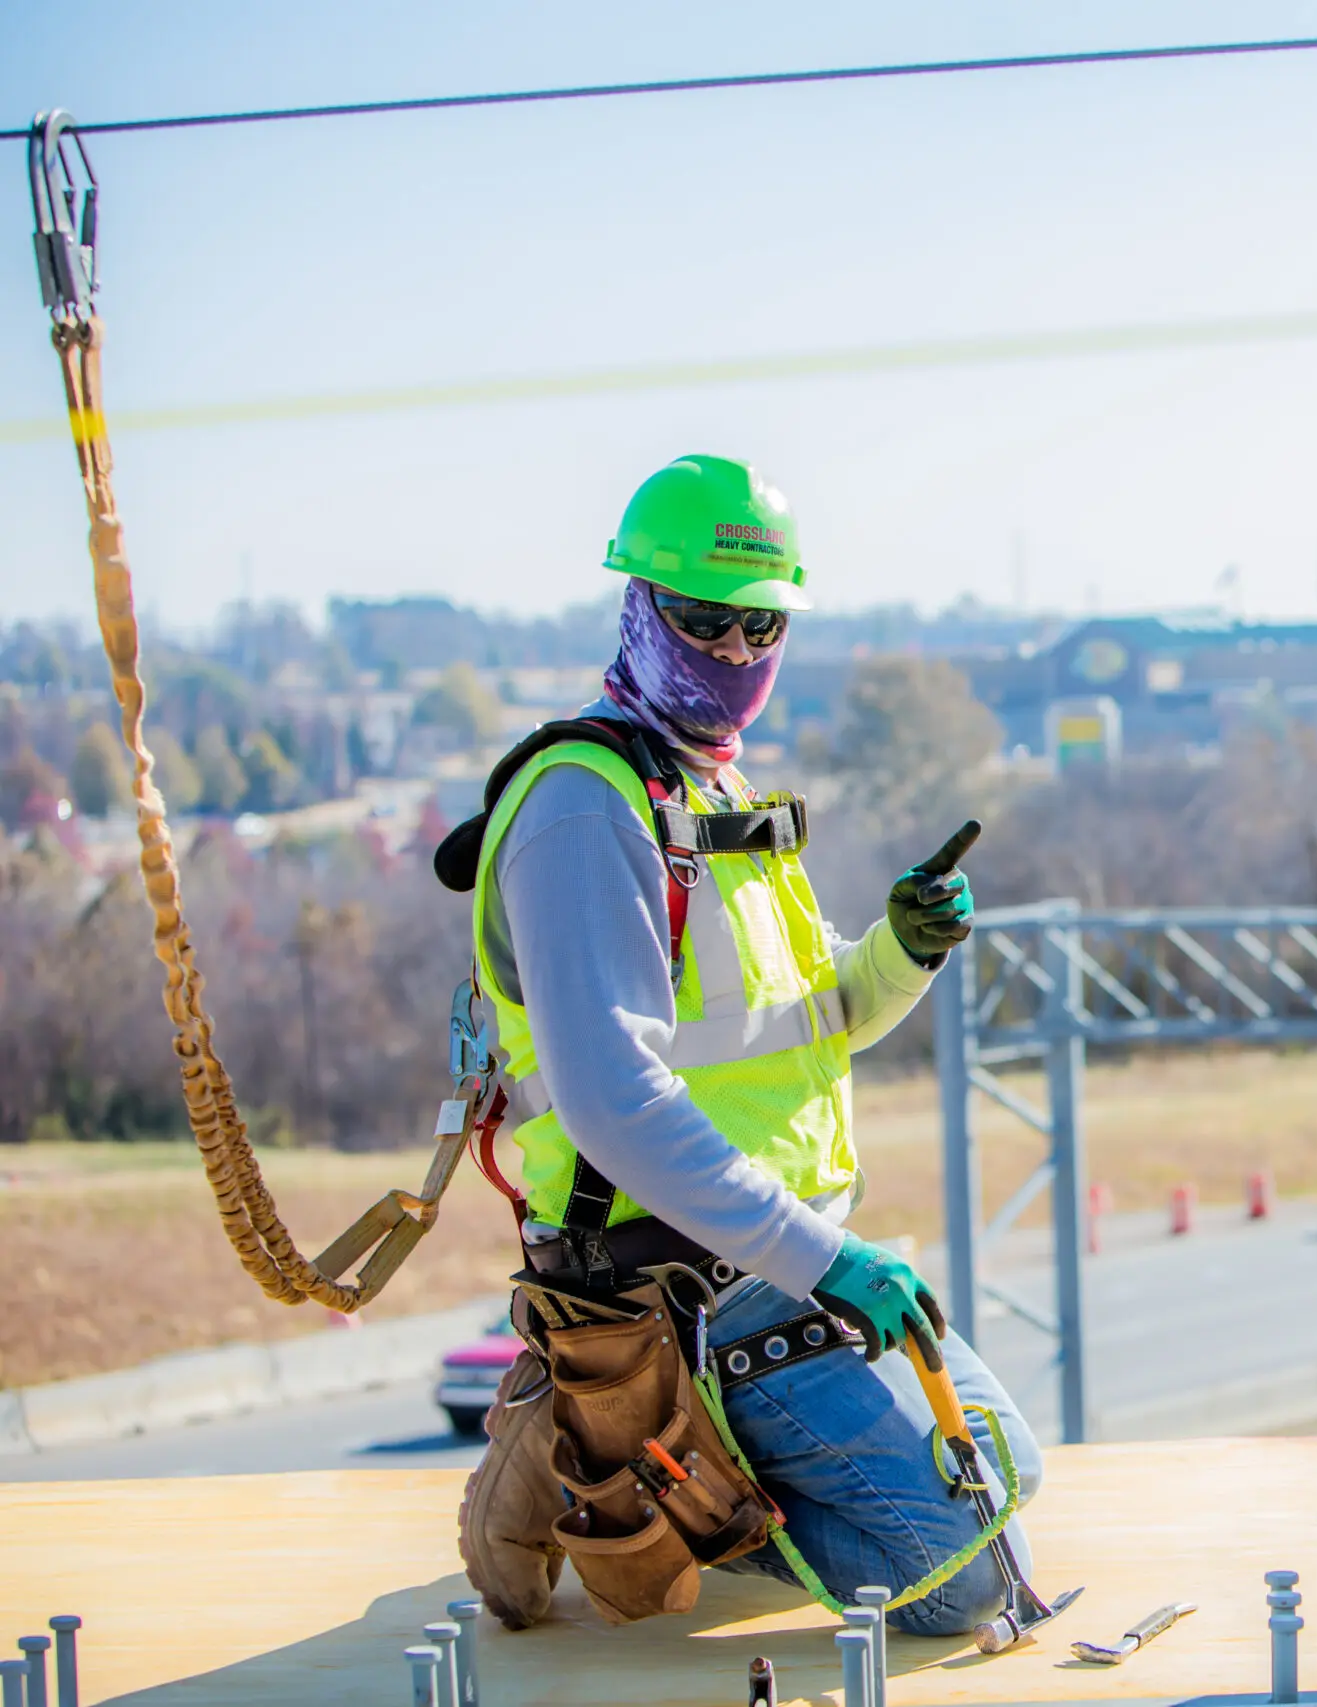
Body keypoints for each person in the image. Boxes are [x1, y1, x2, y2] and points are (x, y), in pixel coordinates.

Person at [454, 453, 1040, 1635]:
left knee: (1009, 1474)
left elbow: (815, 1024)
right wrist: (818, 1258)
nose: (730, 652)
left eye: (757, 626)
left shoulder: (710, 797)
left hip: (778, 1260)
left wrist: (901, 951)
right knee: (958, 1580)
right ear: (637, 604)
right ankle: (640, 1489)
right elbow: (611, 1095)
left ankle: (674, 1478)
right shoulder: (585, 806)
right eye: (700, 621)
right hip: (682, 1286)